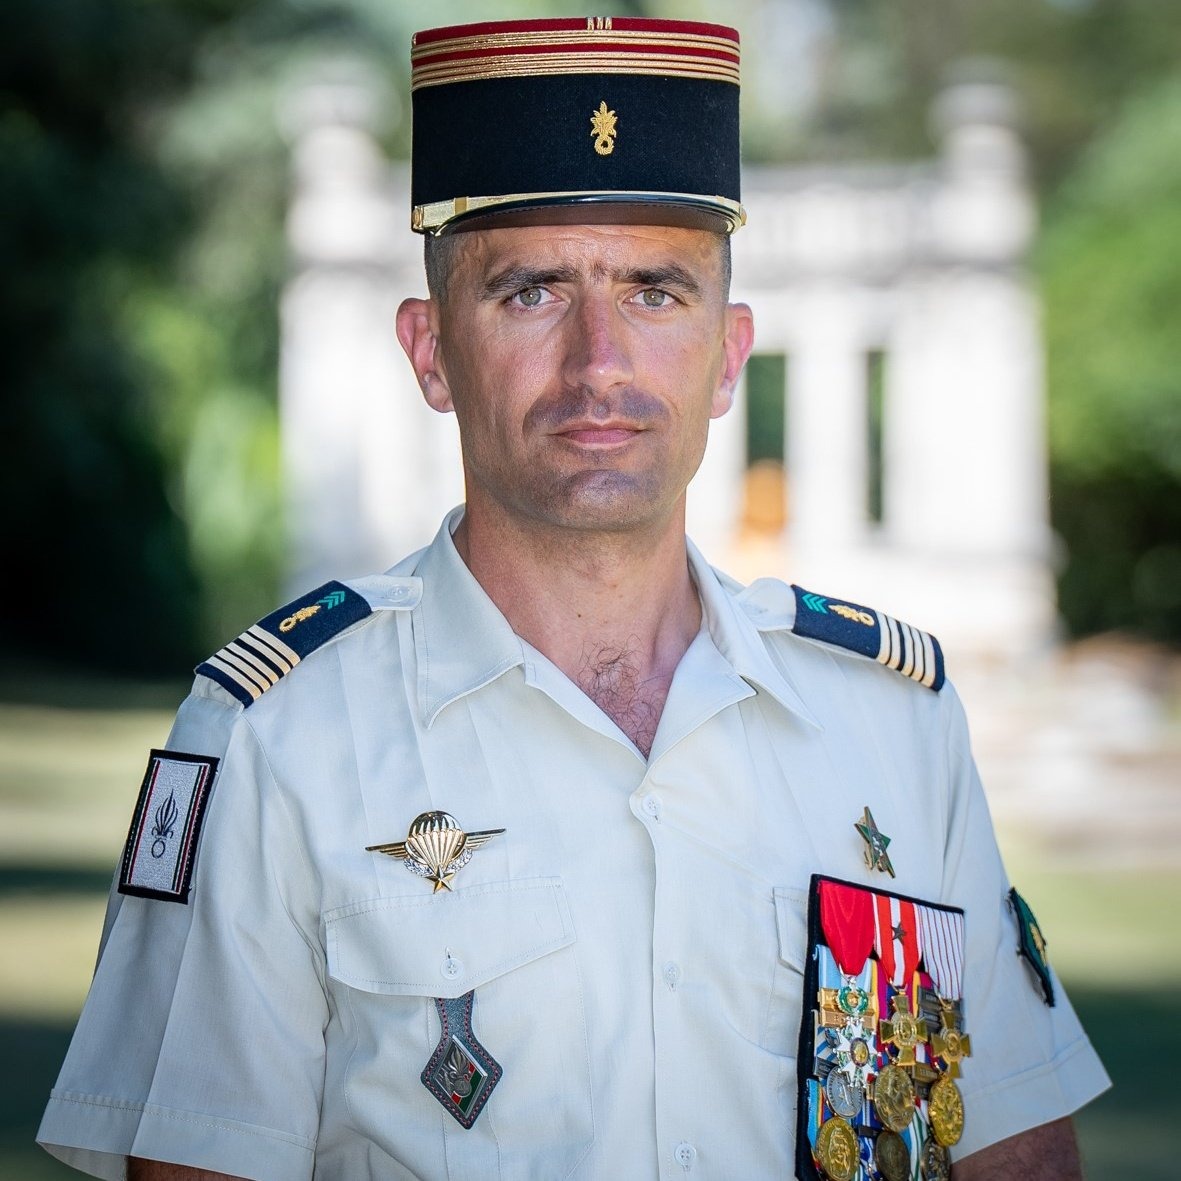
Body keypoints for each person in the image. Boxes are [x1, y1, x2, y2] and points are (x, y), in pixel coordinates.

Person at [38, 16, 1108, 1181]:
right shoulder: (273, 738)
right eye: (532, 290)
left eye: (655, 289)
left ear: (728, 353)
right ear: (431, 351)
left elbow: (1012, 1151)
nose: (599, 359)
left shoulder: (891, 724)